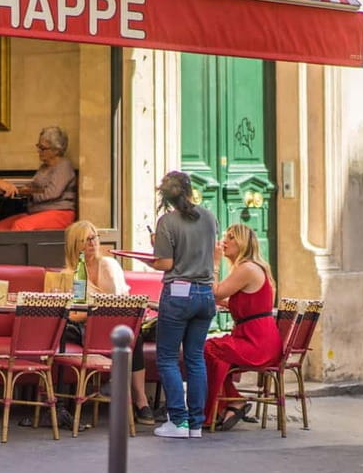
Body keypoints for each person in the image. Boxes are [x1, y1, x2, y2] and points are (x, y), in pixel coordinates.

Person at [60, 221, 156, 425]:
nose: (92, 243)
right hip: (84, 326)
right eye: (86, 239)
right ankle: (56, 403)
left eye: (94, 237)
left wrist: (86, 311)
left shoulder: (108, 265)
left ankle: (141, 401)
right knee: (59, 331)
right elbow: (71, 309)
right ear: (75, 245)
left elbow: (115, 302)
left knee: (132, 335)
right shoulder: (71, 273)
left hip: (113, 324)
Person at [147, 171, 217, 439]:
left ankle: (178, 421)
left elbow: (165, 263)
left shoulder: (167, 221)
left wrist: (155, 252)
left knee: (167, 358)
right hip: (205, 294)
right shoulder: (209, 216)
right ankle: (196, 423)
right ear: (190, 191)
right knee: (195, 358)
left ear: (166, 197)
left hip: (178, 294)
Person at [204, 224, 281, 431]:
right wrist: (227, 304)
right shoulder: (254, 267)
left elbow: (216, 292)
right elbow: (252, 304)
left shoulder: (247, 268)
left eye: (231, 237)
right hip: (259, 337)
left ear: (243, 243)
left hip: (257, 342)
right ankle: (226, 403)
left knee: (209, 349)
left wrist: (214, 262)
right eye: (225, 236)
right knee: (214, 348)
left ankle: (232, 401)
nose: (224, 241)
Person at [0, 126, 76, 231]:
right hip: (38, 211)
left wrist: (29, 193)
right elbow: (34, 185)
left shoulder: (63, 166)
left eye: (42, 148)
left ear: (56, 150)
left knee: (20, 226)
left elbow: (52, 193)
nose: (38, 151)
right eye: (38, 146)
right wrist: (27, 188)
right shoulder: (44, 167)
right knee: (2, 226)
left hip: (60, 213)